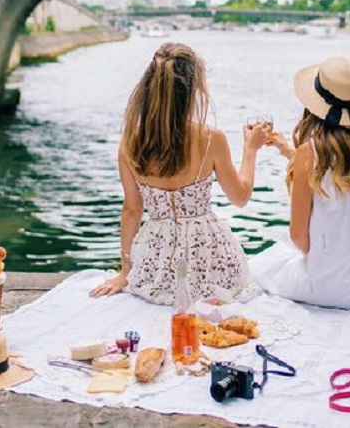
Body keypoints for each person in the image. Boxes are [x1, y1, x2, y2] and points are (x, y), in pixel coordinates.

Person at [90, 42, 268, 304]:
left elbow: (132, 210)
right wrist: (251, 149)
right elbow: (240, 197)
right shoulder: (211, 139)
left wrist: (125, 270)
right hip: (208, 258)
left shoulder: (130, 141)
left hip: (157, 262)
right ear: (194, 89)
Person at [250, 56, 350, 309]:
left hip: (330, 288)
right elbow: (337, 180)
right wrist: (289, 153)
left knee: (256, 268)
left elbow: (299, 239)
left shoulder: (309, 153)